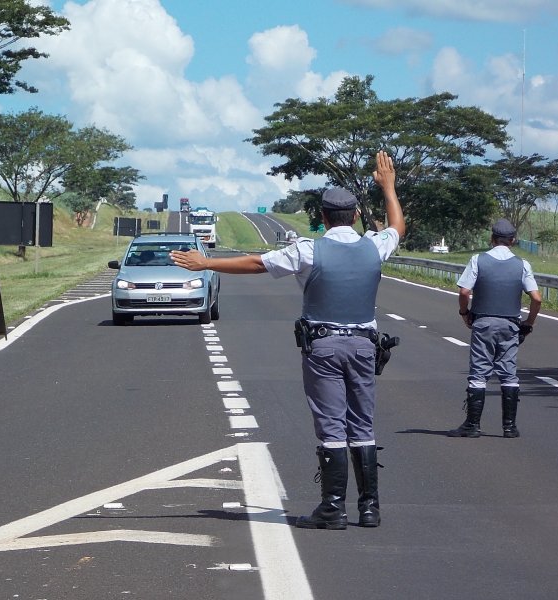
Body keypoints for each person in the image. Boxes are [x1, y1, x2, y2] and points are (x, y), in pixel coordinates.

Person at [171, 150, 405, 530]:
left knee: (331, 425)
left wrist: (207, 263)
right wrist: (389, 188)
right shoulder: (374, 246)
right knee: (362, 424)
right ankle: (369, 508)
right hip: (365, 346)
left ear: (324, 217)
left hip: (324, 347)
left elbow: (256, 263)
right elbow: (397, 226)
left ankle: (332, 509)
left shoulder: (309, 250)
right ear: (356, 217)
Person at [449, 218, 542, 439]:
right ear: (513, 241)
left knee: (479, 373)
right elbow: (536, 298)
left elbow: (464, 292)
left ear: (492, 239)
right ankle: (509, 427)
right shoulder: (522, 264)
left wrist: (465, 313)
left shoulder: (478, 260)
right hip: (510, 324)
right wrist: (528, 323)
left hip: (483, 323)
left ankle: (472, 425)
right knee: (509, 374)